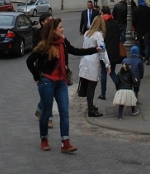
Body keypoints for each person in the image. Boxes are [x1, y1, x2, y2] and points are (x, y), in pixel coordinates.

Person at [27, 18, 102, 153]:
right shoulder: (44, 45)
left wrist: (94, 50)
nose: (63, 29)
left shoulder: (63, 42)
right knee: (46, 113)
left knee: (64, 112)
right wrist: (37, 78)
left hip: (61, 81)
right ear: (53, 30)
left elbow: (75, 50)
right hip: (47, 82)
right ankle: (44, 138)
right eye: (60, 27)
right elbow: (29, 61)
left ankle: (65, 142)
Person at [78, 16, 111, 117]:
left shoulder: (87, 33)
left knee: (88, 85)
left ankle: (91, 106)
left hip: (84, 60)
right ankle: (91, 109)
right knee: (91, 87)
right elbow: (102, 50)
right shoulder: (98, 35)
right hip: (92, 62)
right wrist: (107, 64)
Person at [32, 12, 54, 128]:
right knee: (48, 95)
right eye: (49, 20)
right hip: (41, 69)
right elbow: (35, 50)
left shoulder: (55, 32)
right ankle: (49, 119)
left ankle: (40, 108)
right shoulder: (37, 33)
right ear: (43, 22)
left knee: (48, 95)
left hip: (53, 68)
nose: (52, 22)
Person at [100, 6, 121, 98]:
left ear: (103, 13)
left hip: (105, 51)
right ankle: (120, 87)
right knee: (112, 72)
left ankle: (103, 93)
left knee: (104, 72)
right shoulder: (116, 23)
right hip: (115, 51)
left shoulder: (103, 24)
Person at [132, 0, 150, 64]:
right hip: (147, 29)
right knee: (147, 43)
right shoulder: (148, 9)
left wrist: (136, 27)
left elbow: (133, 21)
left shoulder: (136, 10)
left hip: (139, 29)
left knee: (139, 43)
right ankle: (147, 58)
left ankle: (140, 57)